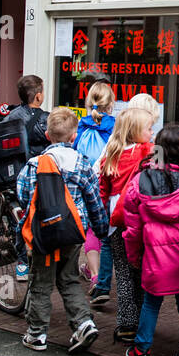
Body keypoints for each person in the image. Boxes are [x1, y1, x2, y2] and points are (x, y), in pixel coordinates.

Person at [15, 107, 108, 354]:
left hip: (43, 234)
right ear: (73, 136)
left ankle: (37, 334)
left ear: (47, 135)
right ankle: (83, 323)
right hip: (72, 232)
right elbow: (94, 200)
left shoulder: (34, 164)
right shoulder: (83, 164)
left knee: (41, 283)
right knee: (68, 279)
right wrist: (100, 229)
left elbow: (23, 195)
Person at [122, 124, 179, 356]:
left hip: (155, 257)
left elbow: (133, 226)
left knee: (151, 303)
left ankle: (141, 351)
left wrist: (134, 255)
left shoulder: (142, 179)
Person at [99, 106, 156, 342]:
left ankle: (126, 323)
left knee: (122, 271)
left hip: (116, 218)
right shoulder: (151, 153)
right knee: (141, 270)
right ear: (136, 132)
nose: (153, 133)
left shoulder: (111, 153)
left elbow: (102, 188)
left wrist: (102, 214)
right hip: (140, 217)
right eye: (149, 129)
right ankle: (143, 319)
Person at [77, 80, 117, 305]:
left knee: (91, 231)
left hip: (85, 182)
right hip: (106, 183)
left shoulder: (82, 123)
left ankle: (93, 275)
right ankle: (104, 277)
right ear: (111, 103)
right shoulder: (113, 124)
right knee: (106, 233)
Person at [3, 74, 50, 157]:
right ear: (38, 97)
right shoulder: (46, 119)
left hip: (15, 165)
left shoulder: (11, 115)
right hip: (37, 165)